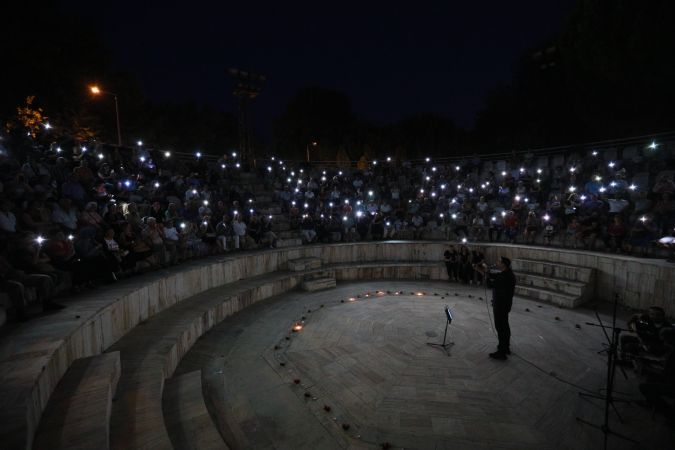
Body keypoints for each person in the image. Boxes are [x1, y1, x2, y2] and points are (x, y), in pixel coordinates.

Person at [474, 256, 516, 360]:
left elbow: (491, 284)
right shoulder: (508, 274)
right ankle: (506, 347)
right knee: (505, 326)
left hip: (501, 305)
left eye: (499, 261)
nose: (497, 262)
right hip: (505, 304)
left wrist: (483, 274)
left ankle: (501, 352)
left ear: (503, 264)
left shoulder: (505, 277)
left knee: (500, 327)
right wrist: (483, 271)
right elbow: (494, 276)